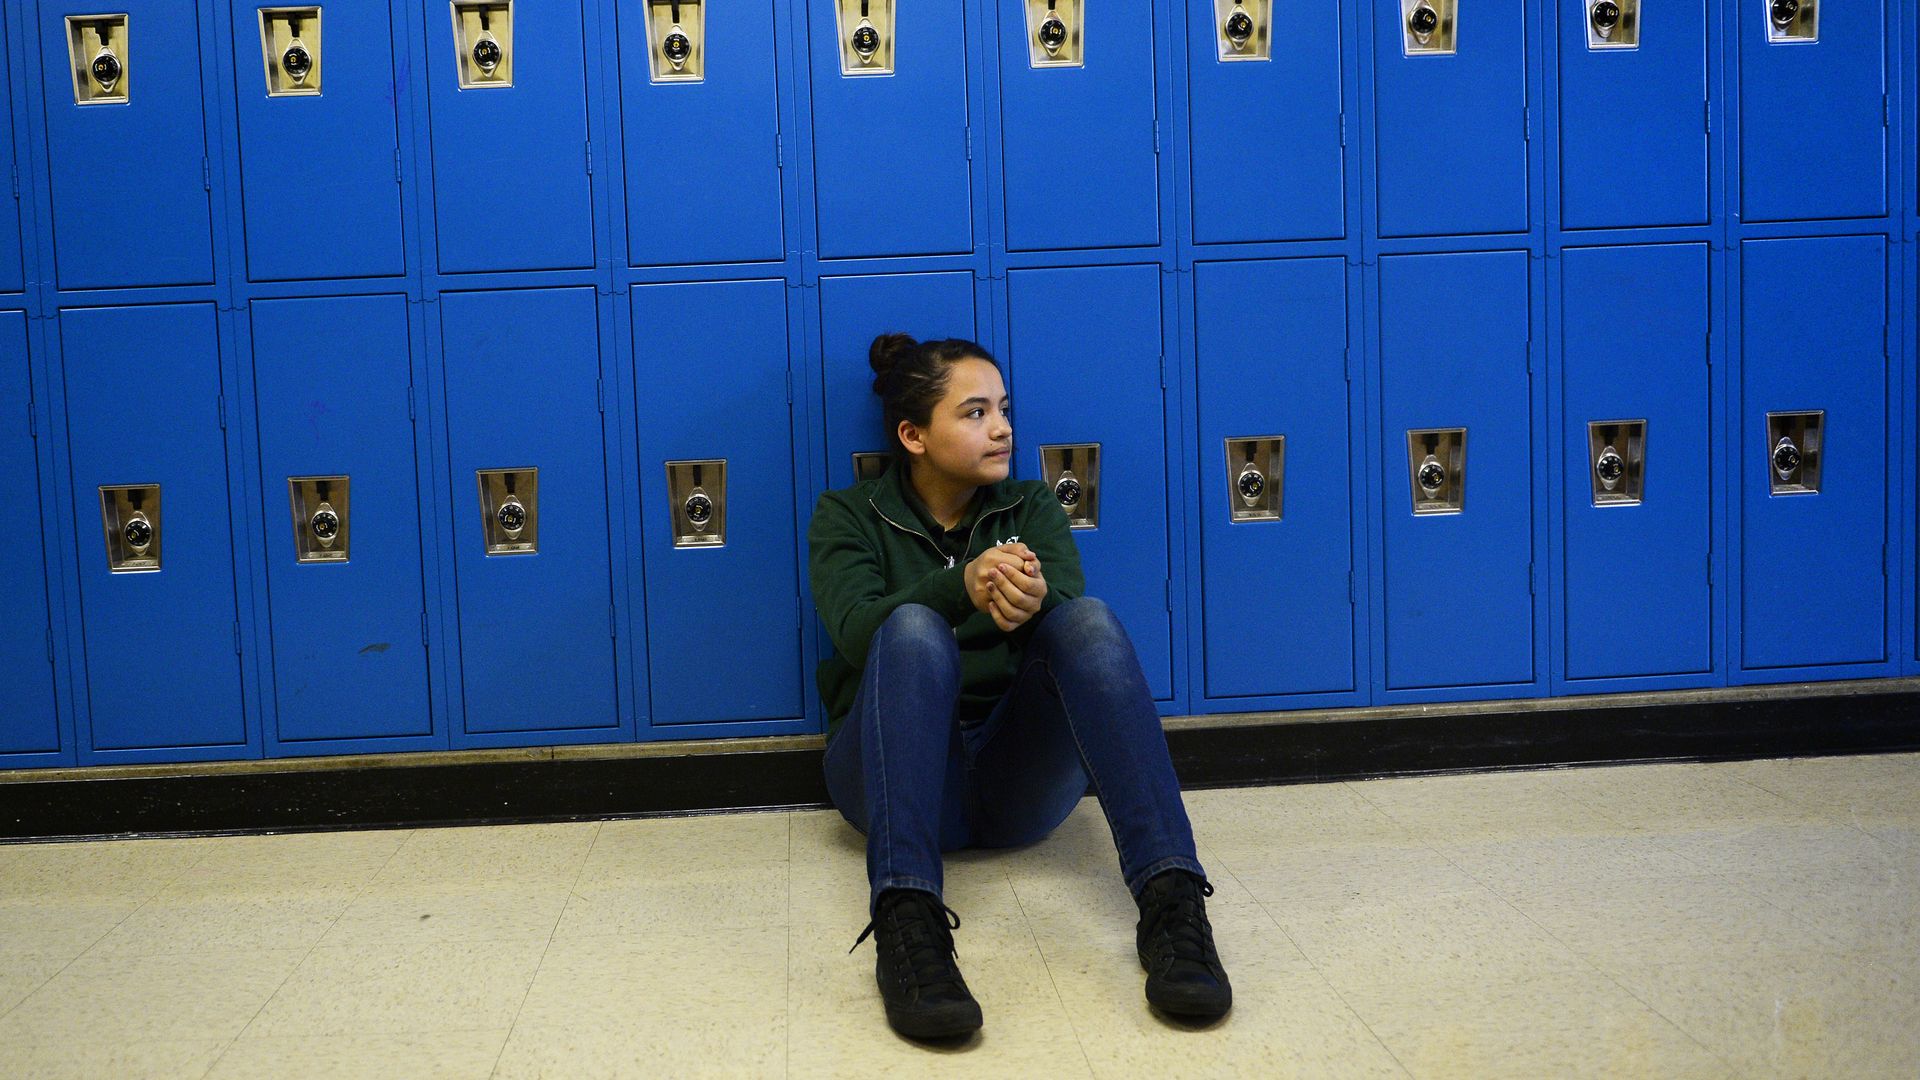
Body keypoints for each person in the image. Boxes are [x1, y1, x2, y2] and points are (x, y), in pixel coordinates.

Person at [807, 333, 1232, 1040]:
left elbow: (1070, 620)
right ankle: (908, 925)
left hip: (1018, 783)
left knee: (1086, 619)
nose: (1002, 427)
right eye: (974, 413)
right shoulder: (846, 516)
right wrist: (959, 586)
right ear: (913, 434)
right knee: (910, 629)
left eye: (1003, 409)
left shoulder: (1029, 505)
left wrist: (1036, 601)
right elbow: (855, 632)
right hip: (893, 784)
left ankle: (1173, 903)